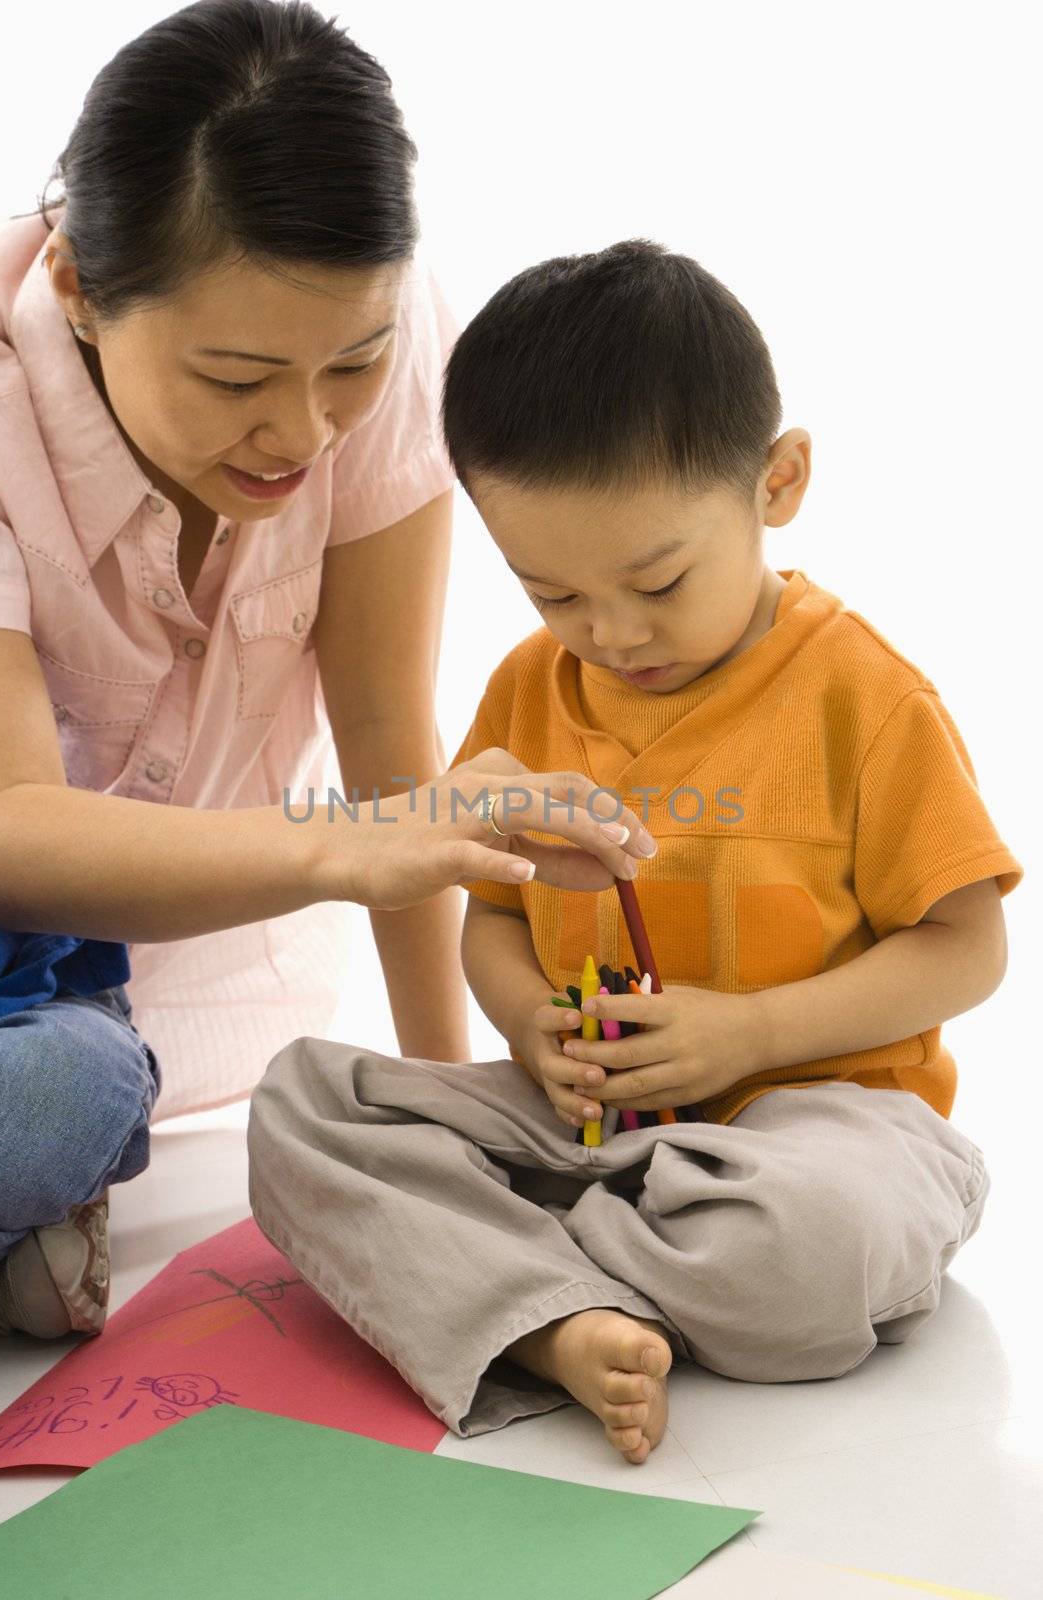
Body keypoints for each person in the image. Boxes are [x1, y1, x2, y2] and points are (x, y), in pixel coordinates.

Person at [247, 238, 1023, 1466]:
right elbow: (493, 914)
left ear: (776, 481)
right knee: (303, 1105)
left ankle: (509, 1281)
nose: (609, 633)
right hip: (595, 1137)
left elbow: (966, 950)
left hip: (821, 1126)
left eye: (656, 580)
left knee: (805, 1236)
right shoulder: (528, 689)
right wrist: (523, 1029)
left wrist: (752, 1035)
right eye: (550, 594)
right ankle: (573, 1312)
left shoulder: (864, 699)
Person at [0, 1, 650, 1342]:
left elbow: (393, 741)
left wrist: (448, 1118)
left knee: (59, 1093)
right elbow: (0, 826)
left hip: (100, 1050)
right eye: (233, 378)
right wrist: (351, 842)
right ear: (75, 290)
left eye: (351, 363)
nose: (302, 428)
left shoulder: (365, 338)